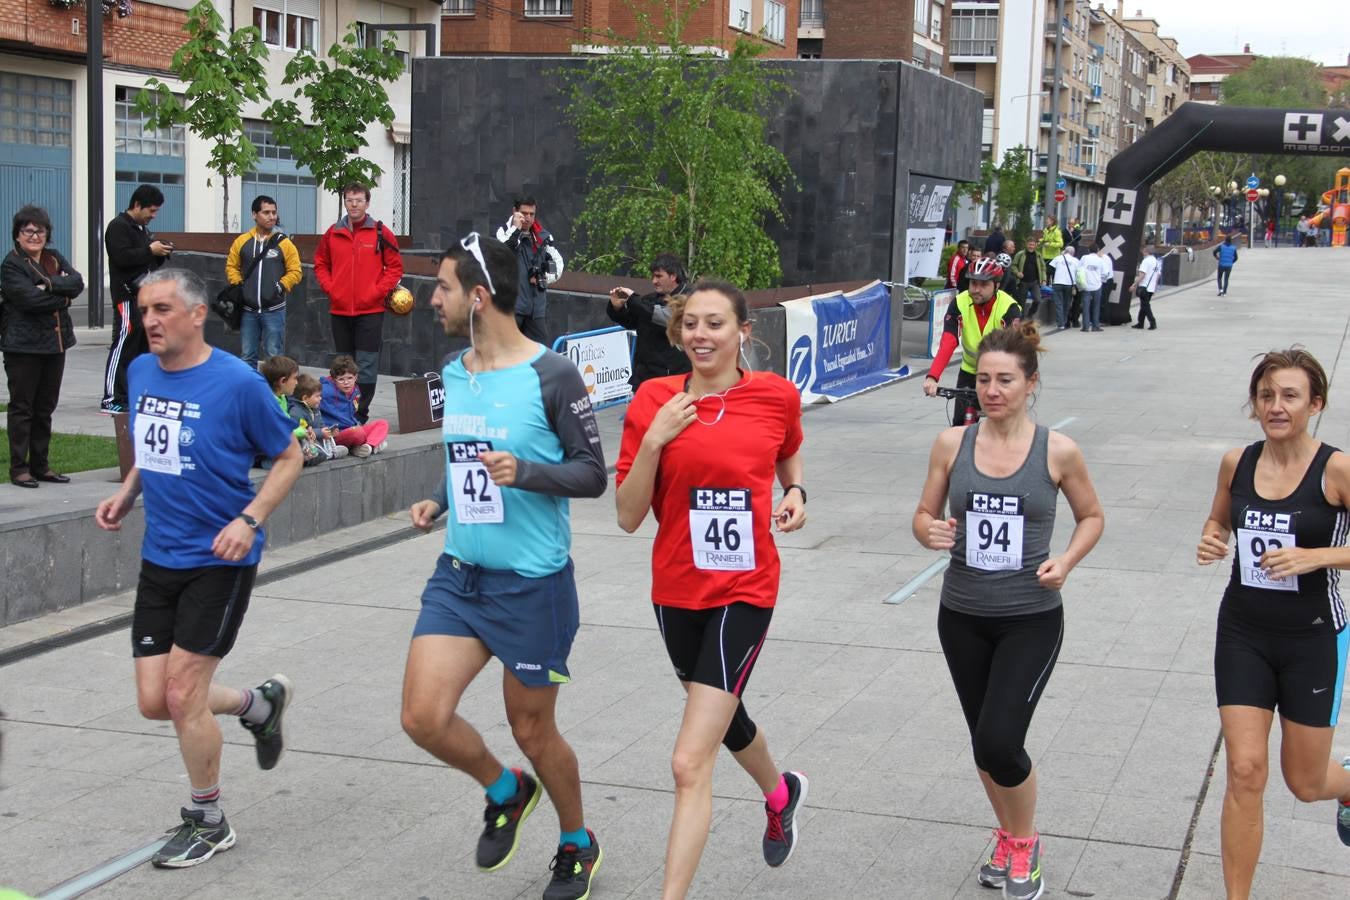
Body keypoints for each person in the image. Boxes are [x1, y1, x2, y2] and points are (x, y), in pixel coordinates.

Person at [400, 232, 607, 900]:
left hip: (531, 584)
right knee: (422, 718)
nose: (433, 299)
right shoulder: (456, 372)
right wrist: (438, 500)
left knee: (532, 728)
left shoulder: (552, 374)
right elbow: (466, 457)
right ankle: (505, 788)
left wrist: (527, 472)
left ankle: (577, 841)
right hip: (461, 574)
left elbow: (591, 474)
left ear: (479, 296)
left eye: (444, 288)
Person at [94, 268, 302, 869]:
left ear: (196, 314)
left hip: (220, 558)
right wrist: (129, 490)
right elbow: (153, 447)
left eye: (162, 309)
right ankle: (258, 706)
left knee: (184, 694)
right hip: (160, 556)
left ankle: (208, 819)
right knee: (155, 701)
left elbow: (288, 457)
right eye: (143, 310)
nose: (150, 320)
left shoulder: (237, 383)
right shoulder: (139, 371)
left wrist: (250, 520)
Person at [615, 279, 808, 899]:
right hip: (675, 588)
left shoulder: (776, 396)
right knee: (724, 719)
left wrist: (796, 491)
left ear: (743, 332)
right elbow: (626, 515)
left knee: (687, 760)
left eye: (715, 324)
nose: (701, 335)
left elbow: (788, 452)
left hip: (746, 588)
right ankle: (781, 794)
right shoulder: (653, 399)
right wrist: (653, 440)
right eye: (690, 324)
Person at [913, 323, 1104, 900]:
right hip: (962, 613)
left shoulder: (1058, 451)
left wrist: (1066, 561)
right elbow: (922, 513)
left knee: (999, 740)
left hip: (1030, 617)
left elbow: (1093, 517)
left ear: (1031, 384)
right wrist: (930, 532)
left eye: (1006, 381)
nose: (992, 390)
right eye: (985, 380)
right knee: (982, 742)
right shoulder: (954, 444)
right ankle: (1010, 835)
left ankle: (1024, 842)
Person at [1195, 348, 1350, 899]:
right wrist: (1213, 539)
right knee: (1244, 770)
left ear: (1315, 404)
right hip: (1243, 633)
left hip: (1313, 637)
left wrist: (1318, 557)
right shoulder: (1237, 462)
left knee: (1305, 783)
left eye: (1289, 396)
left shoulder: (1337, 469)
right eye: (1266, 395)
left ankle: (1348, 787)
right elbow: (1219, 520)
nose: (1276, 406)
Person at [1, 205, 82, 488]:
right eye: (28, 231)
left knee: (45, 408)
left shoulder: (53, 257)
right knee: (23, 408)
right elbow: (27, 301)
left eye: (40, 231)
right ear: (18, 234)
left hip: (54, 346)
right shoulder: (12, 265)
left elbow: (77, 282)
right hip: (22, 348)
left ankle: (41, 465)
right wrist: (63, 297)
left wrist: (47, 285)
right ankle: (19, 468)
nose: (35, 236)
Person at [314, 183, 403, 423]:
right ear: (345, 202)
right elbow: (321, 263)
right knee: (344, 364)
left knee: (365, 364)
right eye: (350, 200)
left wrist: (376, 291)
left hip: (370, 310)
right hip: (340, 309)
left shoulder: (381, 232)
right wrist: (331, 288)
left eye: (359, 200)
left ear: (367, 203)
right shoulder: (333, 233)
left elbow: (394, 268)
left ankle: (359, 413)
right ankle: (340, 412)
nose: (354, 204)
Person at [923, 257, 1022, 426]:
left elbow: (1013, 349)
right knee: (959, 426)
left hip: (999, 373)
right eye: (973, 284)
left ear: (996, 286)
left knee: (1003, 427)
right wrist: (932, 377)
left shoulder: (1009, 307)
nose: (976, 289)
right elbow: (949, 341)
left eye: (984, 285)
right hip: (969, 371)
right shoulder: (960, 302)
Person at [101, 184, 172, 413]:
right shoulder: (118, 226)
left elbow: (146, 262)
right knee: (123, 344)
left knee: (142, 348)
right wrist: (150, 251)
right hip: (127, 296)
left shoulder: (142, 230)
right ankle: (112, 397)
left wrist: (160, 254)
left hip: (145, 298)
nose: (153, 216)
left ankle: (134, 395)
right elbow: (121, 258)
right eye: (151, 211)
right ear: (137, 205)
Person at [225, 195, 302, 369]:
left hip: (274, 310)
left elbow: (295, 270)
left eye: (274, 212)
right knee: (247, 357)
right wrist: (239, 286)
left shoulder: (284, 243)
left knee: (274, 359)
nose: (271, 216)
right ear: (254, 214)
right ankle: (250, 394)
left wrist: (280, 287)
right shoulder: (242, 241)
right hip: (248, 311)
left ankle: (272, 396)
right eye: (266, 212)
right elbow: (231, 266)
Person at [605, 253, 692, 390]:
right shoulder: (650, 299)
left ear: (673, 276)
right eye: (653, 276)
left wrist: (633, 298)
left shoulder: (690, 297)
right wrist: (617, 307)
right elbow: (631, 321)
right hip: (644, 378)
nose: (654, 281)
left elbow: (666, 317)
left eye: (659, 276)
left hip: (673, 379)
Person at [497, 196, 565, 345]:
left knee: (537, 360)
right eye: (524, 213)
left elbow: (558, 265)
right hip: (510, 309)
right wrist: (516, 229)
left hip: (536, 312)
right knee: (508, 357)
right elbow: (502, 253)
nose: (528, 218)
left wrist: (544, 277)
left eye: (531, 214)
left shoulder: (543, 237)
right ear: (515, 212)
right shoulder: (503, 231)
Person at [319, 355, 389, 459]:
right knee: (357, 432)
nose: (346, 382)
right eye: (341, 379)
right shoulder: (325, 391)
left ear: (356, 377)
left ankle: (368, 446)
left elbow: (351, 415)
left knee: (382, 424)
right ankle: (372, 444)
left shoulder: (355, 390)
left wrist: (358, 425)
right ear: (334, 379)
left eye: (350, 378)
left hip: (352, 428)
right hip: (335, 434)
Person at [290, 374, 347, 464]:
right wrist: (320, 433)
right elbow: (299, 432)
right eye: (317, 396)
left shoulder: (315, 408)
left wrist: (329, 431)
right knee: (318, 454)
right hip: (305, 445)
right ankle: (326, 454)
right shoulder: (296, 412)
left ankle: (327, 452)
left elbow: (320, 424)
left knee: (344, 450)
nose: (320, 398)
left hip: (317, 442)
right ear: (305, 398)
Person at [1078, 242, 1111, 332]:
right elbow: (1105, 273)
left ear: (1088, 250)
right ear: (1097, 250)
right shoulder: (1100, 260)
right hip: (1097, 285)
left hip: (1086, 285)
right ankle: (1095, 326)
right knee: (1096, 306)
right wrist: (1101, 279)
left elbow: (1078, 269)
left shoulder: (1084, 258)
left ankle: (1085, 326)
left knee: (1085, 306)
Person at [1011, 238, 1046, 321]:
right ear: (1026, 245)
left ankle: (1030, 313)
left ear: (1036, 245)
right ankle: (1021, 320)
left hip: (1035, 282)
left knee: (1038, 300)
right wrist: (1017, 273)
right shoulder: (1020, 254)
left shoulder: (1038, 255)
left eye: (1033, 245)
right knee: (1021, 303)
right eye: (1030, 244)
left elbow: (1043, 267)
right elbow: (1013, 265)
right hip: (1023, 282)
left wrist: (1044, 279)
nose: (1031, 246)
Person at [1128, 243, 1161, 330]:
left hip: (1144, 286)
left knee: (1146, 306)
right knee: (1143, 305)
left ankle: (1152, 322)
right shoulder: (1156, 262)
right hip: (1151, 288)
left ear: (1146, 251)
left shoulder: (1146, 261)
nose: (1142, 251)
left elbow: (1142, 275)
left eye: (1143, 250)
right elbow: (1158, 275)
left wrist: (1134, 284)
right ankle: (1140, 323)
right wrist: (1154, 287)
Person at [1047, 245, 1078, 330]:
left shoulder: (1058, 258)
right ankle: (1063, 321)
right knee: (1067, 304)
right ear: (1073, 253)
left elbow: (1049, 270)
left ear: (1065, 251)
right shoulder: (1076, 260)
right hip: (1070, 284)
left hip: (1057, 283)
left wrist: (1051, 280)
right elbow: (1079, 273)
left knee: (1059, 304)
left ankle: (1060, 324)